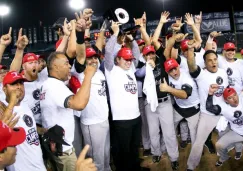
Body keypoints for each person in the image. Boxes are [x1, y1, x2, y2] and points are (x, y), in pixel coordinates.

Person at [40, 51, 96, 171]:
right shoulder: (54, 86)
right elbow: (79, 104)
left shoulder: (47, 84)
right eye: (66, 63)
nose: (69, 66)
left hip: (56, 146)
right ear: (55, 66)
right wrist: (88, 76)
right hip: (63, 152)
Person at [185, 40, 228, 170]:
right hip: (208, 114)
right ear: (205, 63)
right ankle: (191, 167)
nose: (214, 62)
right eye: (210, 60)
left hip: (224, 113)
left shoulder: (223, 72)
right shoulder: (201, 75)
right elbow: (192, 65)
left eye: (215, 59)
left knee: (234, 136)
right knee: (198, 142)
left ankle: (225, 156)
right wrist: (191, 50)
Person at [104, 20, 141, 171]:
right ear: (117, 59)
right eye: (125, 59)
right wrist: (114, 34)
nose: (128, 62)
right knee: (123, 152)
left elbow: (137, 56)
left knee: (134, 149)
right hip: (121, 120)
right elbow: (107, 52)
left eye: (129, 59)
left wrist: (132, 40)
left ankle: (135, 168)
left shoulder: (130, 68)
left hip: (136, 116)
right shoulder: (111, 70)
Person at [2, 71, 46, 171]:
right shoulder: (3, 108)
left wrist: (44, 131)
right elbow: (2, 128)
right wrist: (12, 102)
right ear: (4, 89)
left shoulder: (25, 105)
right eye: (14, 84)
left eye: (21, 83)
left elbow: (29, 128)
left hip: (38, 165)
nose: (19, 87)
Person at [160, 58, 200, 147]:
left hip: (193, 108)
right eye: (171, 70)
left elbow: (185, 95)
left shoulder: (186, 76)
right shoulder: (167, 77)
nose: (174, 72)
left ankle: (196, 154)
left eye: (175, 68)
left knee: (195, 136)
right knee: (169, 127)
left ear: (178, 66)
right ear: (167, 72)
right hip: (179, 107)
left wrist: (168, 89)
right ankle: (165, 149)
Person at [206, 85, 243, 166]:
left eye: (235, 95)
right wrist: (210, 93)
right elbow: (209, 108)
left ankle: (239, 151)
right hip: (237, 133)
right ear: (226, 101)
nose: (234, 99)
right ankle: (224, 157)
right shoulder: (224, 108)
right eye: (230, 98)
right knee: (219, 145)